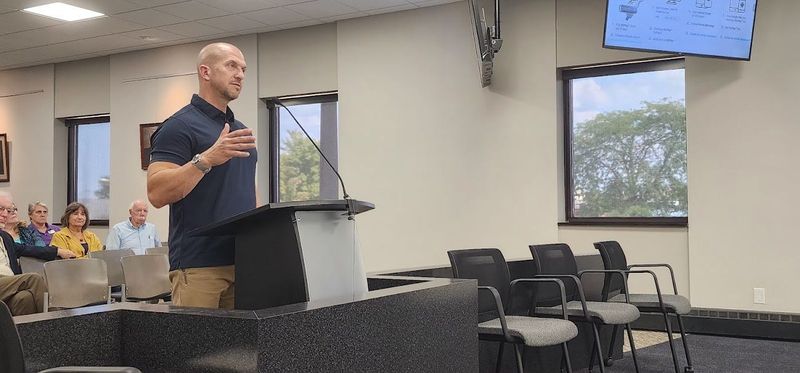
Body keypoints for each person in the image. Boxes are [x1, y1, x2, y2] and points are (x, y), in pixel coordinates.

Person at [147, 42, 257, 309]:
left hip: (241, 262)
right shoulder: (179, 126)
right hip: (199, 266)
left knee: (238, 350)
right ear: (205, 72)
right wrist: (206, 159)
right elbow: (157, 193)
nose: (240, 74)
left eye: (243, 68)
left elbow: (246, 191)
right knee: (195, 350)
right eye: (231, 66)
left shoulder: (238, 130)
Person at [0, 193, 75, 315]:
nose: (4, 214)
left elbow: (29, 249)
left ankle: (27, 333)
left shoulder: (5, 237)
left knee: (25, 298)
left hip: (9, 283)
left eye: (8, 210)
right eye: (0, 209)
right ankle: (58, 322)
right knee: (33, 278)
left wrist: (57, 251)